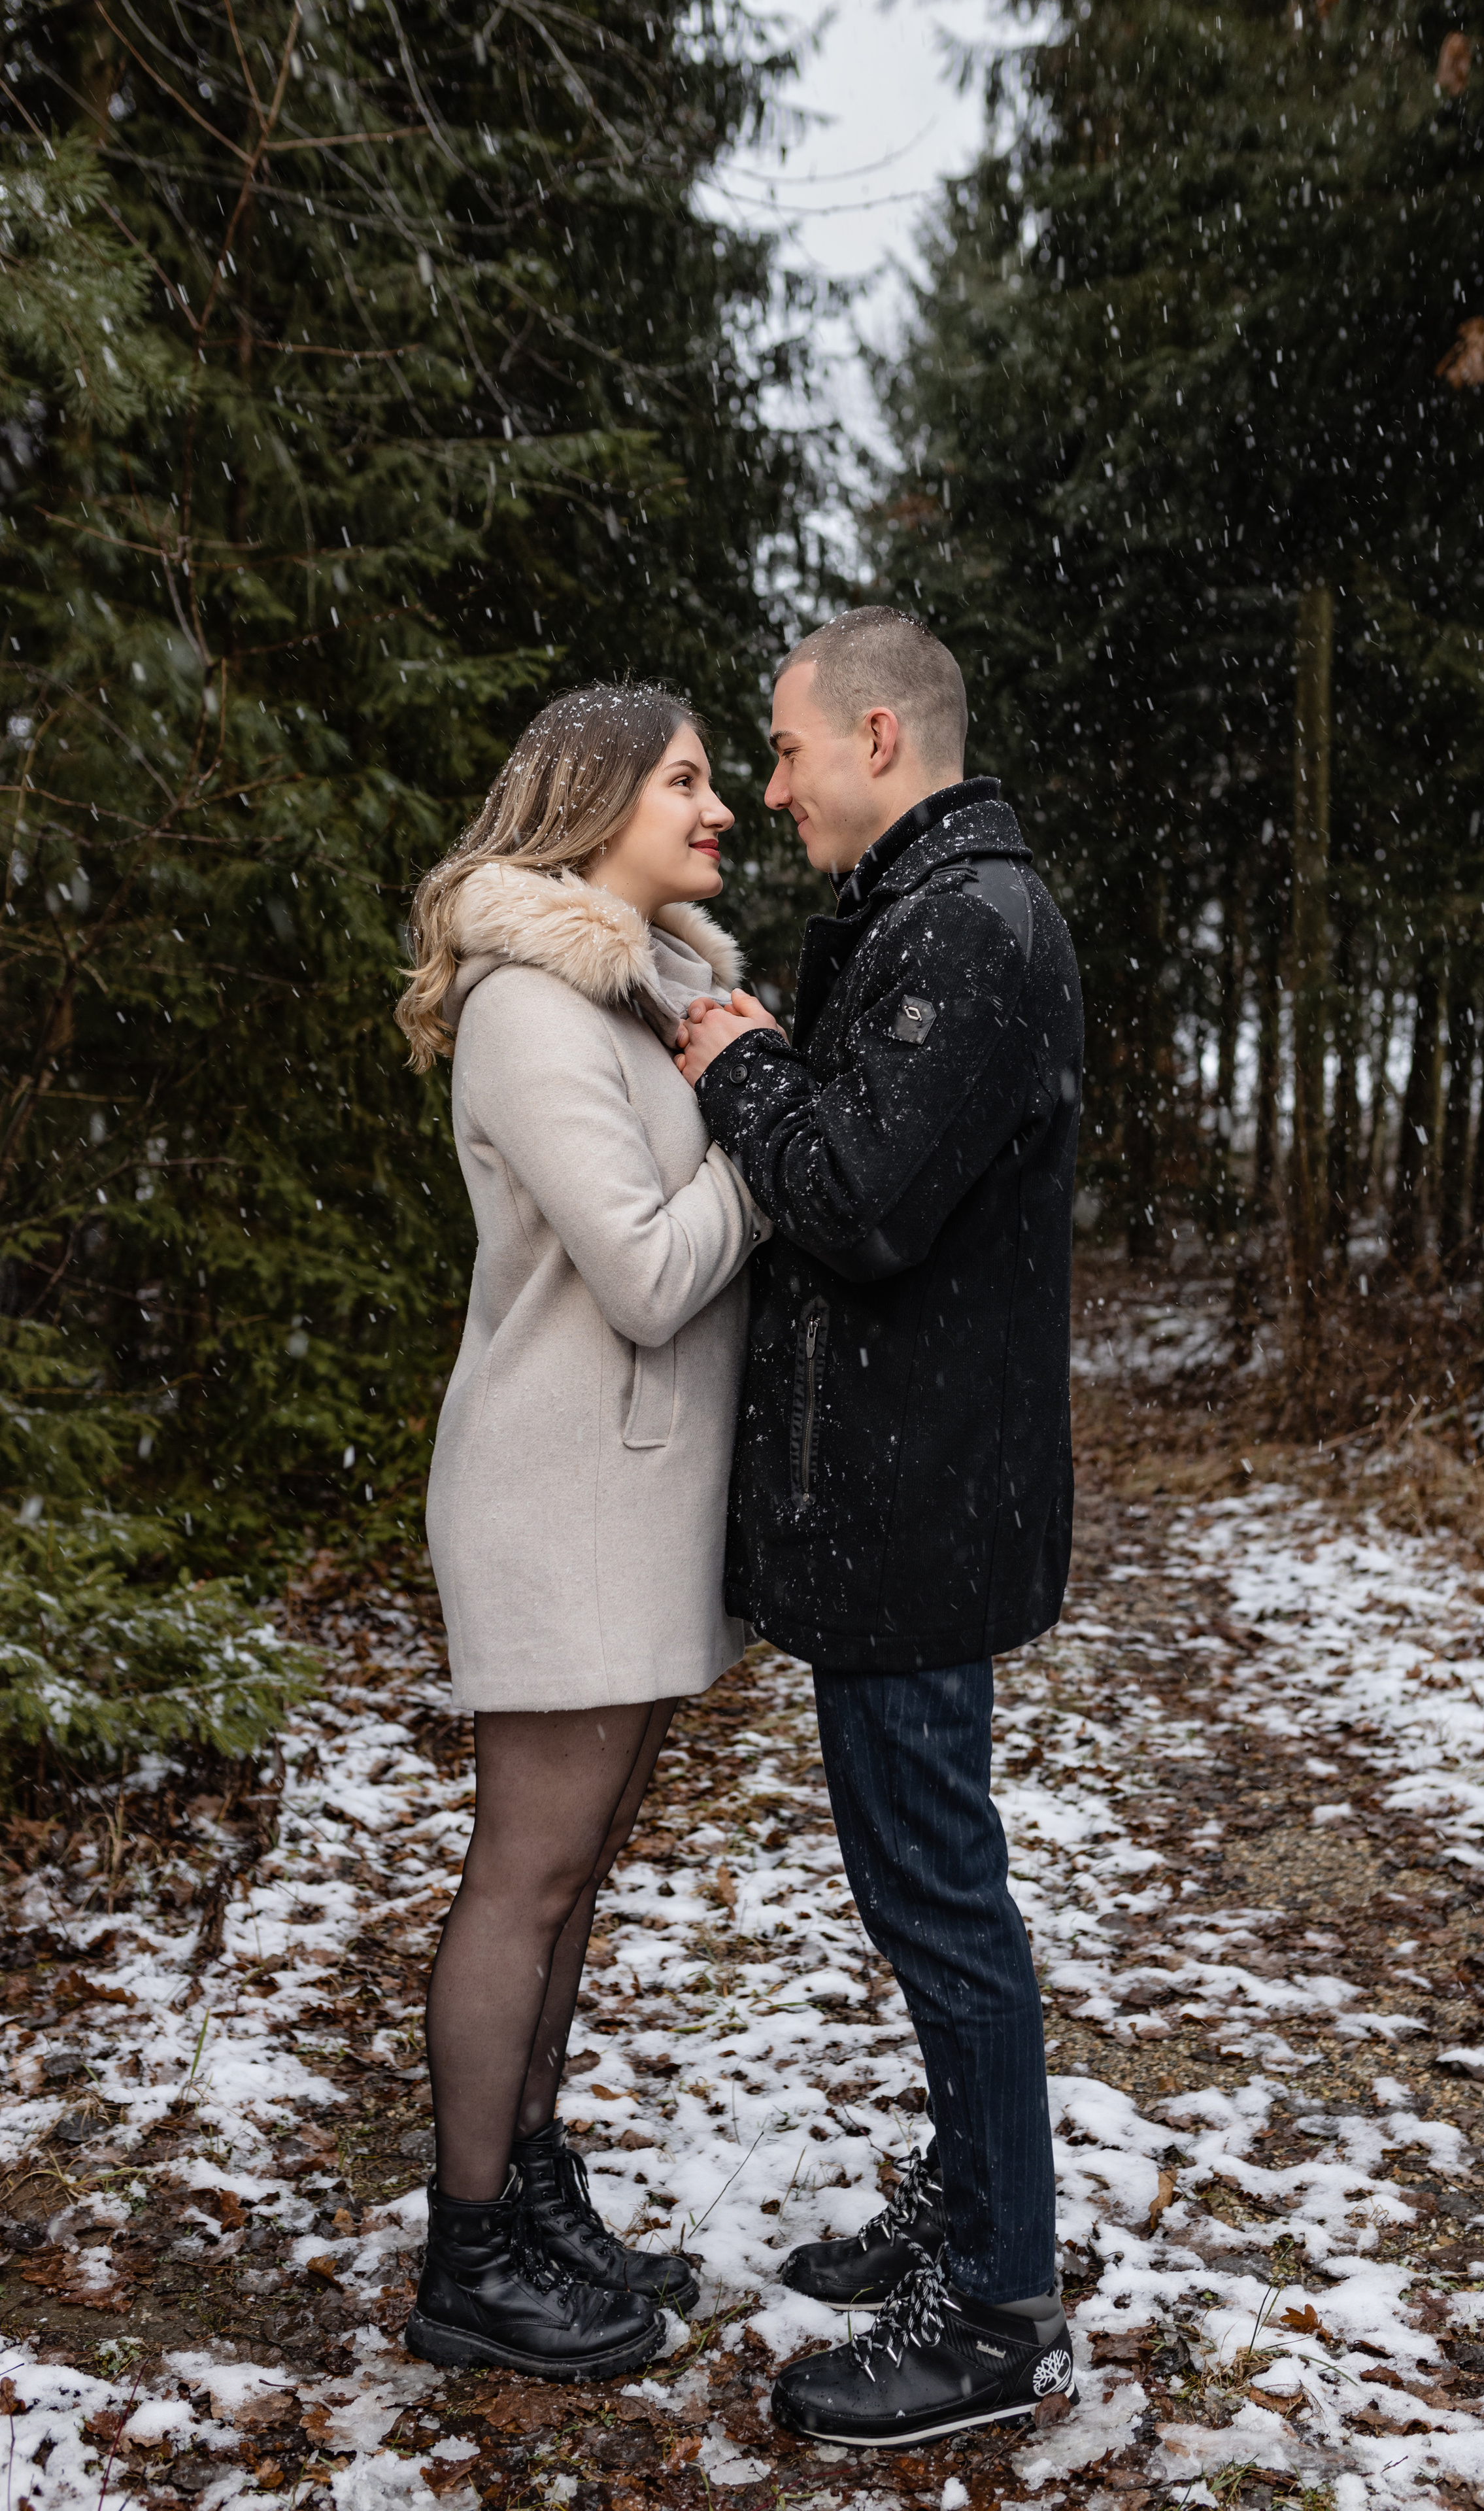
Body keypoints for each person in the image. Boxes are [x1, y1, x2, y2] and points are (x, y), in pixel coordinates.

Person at [675, 607, 1084, 2448]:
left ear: (882, 736)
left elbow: (853, 1192)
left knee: (941, 1899)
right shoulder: (931, 914)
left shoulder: (972, 932)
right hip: (906, 1496)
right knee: (926, 1891)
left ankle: (1000, 2305)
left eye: (784, 753)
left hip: (924, 1505)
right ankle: (969, 2197)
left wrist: (740, 1060)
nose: (769, 793)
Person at [393, 683, 767, 2381]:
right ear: (594, 800)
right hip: (555, 1500)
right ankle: (471, 2255)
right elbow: (647, 1269)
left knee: (574, 1877)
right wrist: (768, 1129)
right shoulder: (532, 1009)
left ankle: (532, 2190)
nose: (720, 811)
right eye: (685, 781)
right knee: (525, 1876)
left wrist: (736, 1063)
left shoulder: (644, 991)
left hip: (633, 1494)